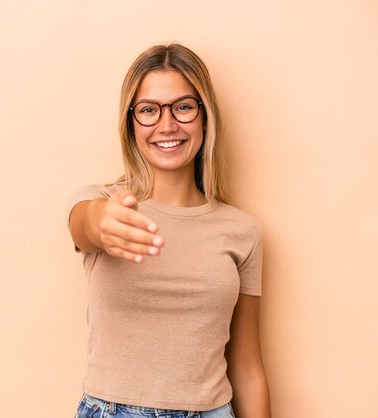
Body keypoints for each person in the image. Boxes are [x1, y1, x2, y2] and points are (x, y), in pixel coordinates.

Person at [66, 43, 271, 418]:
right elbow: (85, 226)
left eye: (183, 107)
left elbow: (247, 367)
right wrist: (102, 223)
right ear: (130, 123)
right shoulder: (102, 202)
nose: (167, 125)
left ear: (205, 116)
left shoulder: (243, 232)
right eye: (148, 110)